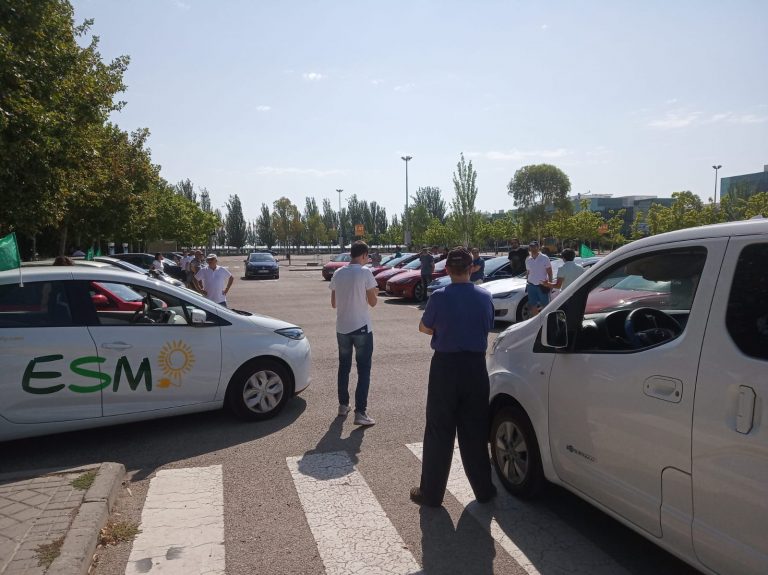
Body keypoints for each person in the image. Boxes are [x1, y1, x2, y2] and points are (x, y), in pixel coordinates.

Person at [410, 247, 497, 507]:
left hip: (445, 368)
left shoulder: (439, 297)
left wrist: (443, 329)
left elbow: (424, 326)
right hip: (475, 368)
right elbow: (488, 325)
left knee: (439, 431)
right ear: (472, 268)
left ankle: (431, 494)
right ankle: (484, 490)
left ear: (447, 270)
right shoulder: (484, 297)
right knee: (474, 431)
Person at [330, 240, 379, 426]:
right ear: (364, 255)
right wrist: (374, 291)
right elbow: (373, 302)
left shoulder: (338, 272)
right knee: (363, 369)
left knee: (344, 367)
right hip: (361, 328)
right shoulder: (365, 272)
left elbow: (334, 303)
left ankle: (343, 405)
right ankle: (361, 412)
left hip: (342, 327)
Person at [525, 240, 552, 317]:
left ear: (538, 247)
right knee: (533, 305)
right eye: (531, 247)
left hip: (542, 285)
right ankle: (536, 322)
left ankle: (545, 321)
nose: (533, 248)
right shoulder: (527, 259)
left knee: (545, 305)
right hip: (531, 285)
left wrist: (549, 284)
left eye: (534, 246)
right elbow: (528, 272)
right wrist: (526, 283)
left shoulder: (545, 258)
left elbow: (549, 272)